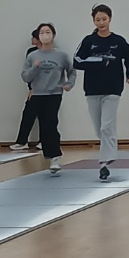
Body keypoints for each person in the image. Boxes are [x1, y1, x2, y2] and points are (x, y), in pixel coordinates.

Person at [74, 4, 129, 182]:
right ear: (93, 21)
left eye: (104, 19)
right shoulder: (88, 41)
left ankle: (104, 162)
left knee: (106, 126)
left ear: (110, 19)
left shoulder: (118, 41)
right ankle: (107, 155)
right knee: (99, 128)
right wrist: (98, 62)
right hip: (92, 89)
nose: (101, 22)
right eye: (98, 19)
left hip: (113, 89)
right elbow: (77, 61)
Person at [21, 22, 76, 174]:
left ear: (53, 35)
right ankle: (49, 153)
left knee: (51, 123)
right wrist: (35, 67)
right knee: (43, 126)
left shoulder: (61, 55)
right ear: (38, 36)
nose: (45, 35)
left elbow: (72, 71)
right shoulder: (32, 56)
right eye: (42, 32)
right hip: (38, 94)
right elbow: (25, 77)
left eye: (48, 32)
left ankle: (55, 157)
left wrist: (69, 84)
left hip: (54, 94)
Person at [9, 31, 42, 151]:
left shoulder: (52, 52)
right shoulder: (31, 52)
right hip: (35, 88)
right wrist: (31, 88)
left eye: (33, 37)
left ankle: (45, 141)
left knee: (47, 117)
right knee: (28, 114)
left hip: (49, 89)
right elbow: (29, 71)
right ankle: (22, 142)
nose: (31, 40)